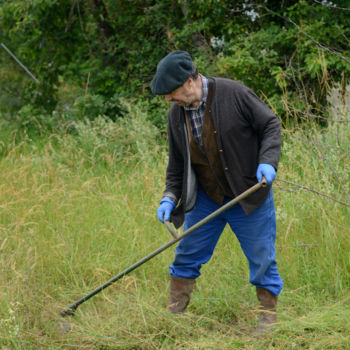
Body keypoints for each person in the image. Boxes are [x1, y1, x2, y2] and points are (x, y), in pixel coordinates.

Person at [151, 50, 283, 335]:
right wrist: (169, 197)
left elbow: (270, 125)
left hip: (248, 195)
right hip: (206, 199)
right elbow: (177, 163)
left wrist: (267, 162)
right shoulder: (177, 115)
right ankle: (175, 314)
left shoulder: (234, 93)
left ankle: (267, 319)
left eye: (170, 92)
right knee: (186, 254)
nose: (167, 99)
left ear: (189, 81)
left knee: (262, 257)